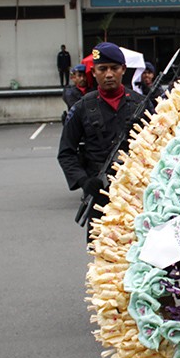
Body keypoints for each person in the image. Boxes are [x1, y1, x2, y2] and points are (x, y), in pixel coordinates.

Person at [57, 42, 147, 232]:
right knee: (103, 252)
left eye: (114, 68)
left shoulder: (140, 104)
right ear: (93, 71)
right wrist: (84, 181)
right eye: (102, 69)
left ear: (123, 69)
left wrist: (144, 129)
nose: (108, 74)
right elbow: (66, 152)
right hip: (100, 195)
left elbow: (161, 144)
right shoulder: (82, 107)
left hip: (137, 194)